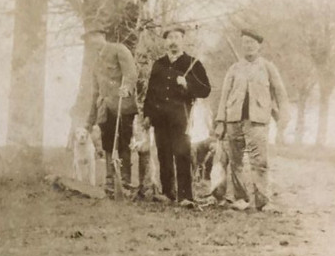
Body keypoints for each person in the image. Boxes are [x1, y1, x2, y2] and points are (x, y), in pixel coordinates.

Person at [214, 27, 290, 212]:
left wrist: (283, 119)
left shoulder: (268, 67)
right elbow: (224, 96)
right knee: (235, 161)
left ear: (259, 46)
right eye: (245, 43)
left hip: (257, 121)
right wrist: (220, 121)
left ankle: (263, 201)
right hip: (234, 120)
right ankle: (240, 199)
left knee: (260, 162)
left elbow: (281, 95)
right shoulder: (234, 68)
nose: (248, 46)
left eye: (252, 43)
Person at [143, 26, 212, 205]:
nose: (173, 41)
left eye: (177, 37)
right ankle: (167, 193)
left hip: (181, 117)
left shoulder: (192, 63)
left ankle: (185, 196)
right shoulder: (159, 64)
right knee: (163, 154)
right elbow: (150, 92)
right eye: (169, 37)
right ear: (166, 42)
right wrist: (147, 115)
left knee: (182, 154)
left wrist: (187, 84)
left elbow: (205, 90)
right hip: (159, 118)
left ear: (183, 40)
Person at [81, 27, 138, 196]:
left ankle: (125, 182)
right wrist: (89, 121)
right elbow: (95, 93)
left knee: (123, 143)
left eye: (94, 36)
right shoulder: (95, 63)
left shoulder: (119, 50)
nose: (92, 41)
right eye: (89, 39)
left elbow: (131, 73)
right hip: (104, 110)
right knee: (107, 145)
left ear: (102, 36)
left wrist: (127, 88)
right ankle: (110, 180)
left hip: (122, 106)